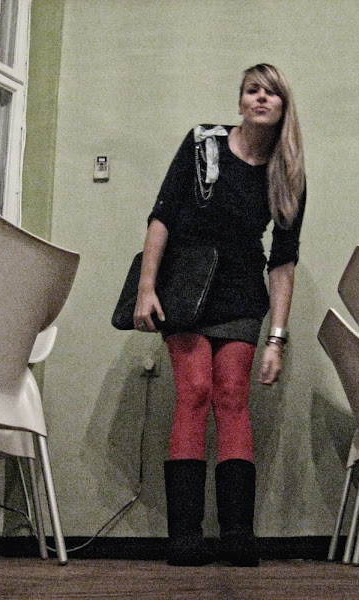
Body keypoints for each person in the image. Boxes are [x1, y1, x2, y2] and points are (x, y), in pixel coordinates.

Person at [133, 63, 306, 567]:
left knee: (232, 398)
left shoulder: (287, 172)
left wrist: (276, 338)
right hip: (186, 287)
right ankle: (185, 535)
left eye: (271, 92)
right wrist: (146, 288)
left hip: (240, 292)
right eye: (252, 90)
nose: (260, 98)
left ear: (282, 107)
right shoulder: (202, 142)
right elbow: (163, 215)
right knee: (194, 392)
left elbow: (284, 260)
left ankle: (237, 535)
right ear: (240, 102)